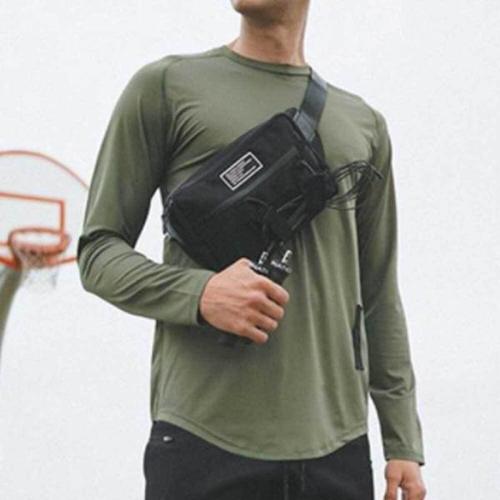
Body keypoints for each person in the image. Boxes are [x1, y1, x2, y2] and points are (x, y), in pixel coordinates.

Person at [77, 1, 427, 498]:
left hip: (337, 447)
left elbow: (378, 292)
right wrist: (201, 293)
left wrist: (402, 440)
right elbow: (97, 251)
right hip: (203, 439)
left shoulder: (364, 125)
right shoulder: (166, 87)